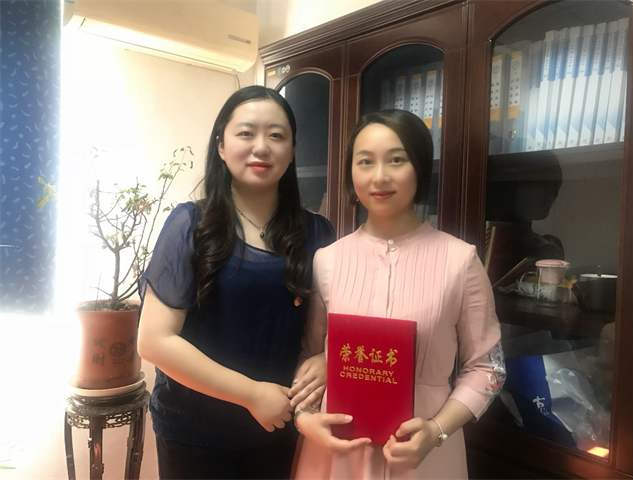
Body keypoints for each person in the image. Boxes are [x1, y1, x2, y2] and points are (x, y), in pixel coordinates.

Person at [293, 110, 505, 480]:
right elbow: (309, 359)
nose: (380, 176)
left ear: (419, 167)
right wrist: (304, 418)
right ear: (351, 172)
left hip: (425, 456)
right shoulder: (327, 260)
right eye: (365, 162)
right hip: (336, 452)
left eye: (396, 159)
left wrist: (436, 431)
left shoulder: (460, 261)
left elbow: (489, 367)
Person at [137, 86, 335, 480]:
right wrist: (251, 394)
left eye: (276, 135)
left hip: (281, 427)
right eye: (246, 133)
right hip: (195, 434)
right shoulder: (191, 225)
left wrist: (329, 358)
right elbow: (155, 341)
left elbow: (336, 324)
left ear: (292, 150)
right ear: (221, 146)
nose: (261, 146)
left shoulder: (317, 232)